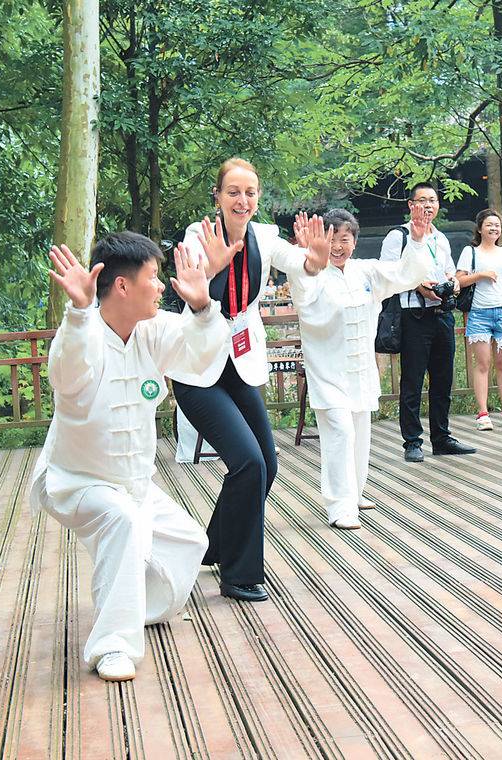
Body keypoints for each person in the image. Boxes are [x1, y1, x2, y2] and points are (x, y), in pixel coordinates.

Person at [30, 232, 229, 681]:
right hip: (76, 481)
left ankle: (136, 608)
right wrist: (79, 311)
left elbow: (199, 358)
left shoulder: (153, 329)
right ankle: (113, 646)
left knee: (189, 542)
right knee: (121, 523)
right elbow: (67, 375)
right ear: (122, 285)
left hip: (134, 484)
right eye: (153, 277)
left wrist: (202, 307)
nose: (160, 287)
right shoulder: (82, 332)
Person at [168, 157, 332, 602]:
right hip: (199, 370)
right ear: (218, 196)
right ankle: (239, 575)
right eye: (234, 192)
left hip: (239, 365)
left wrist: (314, 263)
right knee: (248, 463)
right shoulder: (198, 236)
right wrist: (215, 266)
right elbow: (194, 286)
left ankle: (217, 547)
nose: (242, 200)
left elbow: (299, 261)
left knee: (266, 465)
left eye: (250, 192)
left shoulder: (264, 236)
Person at [290, 207, 431, 528]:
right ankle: (339, 506)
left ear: (355, 241)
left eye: (345, 239)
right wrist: (306, 257)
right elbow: (302, 296)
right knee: (340, 433)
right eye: (331, 239)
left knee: (359, 435)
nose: (338, 247)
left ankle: (354, 493)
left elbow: (406, 274)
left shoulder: (366, 271)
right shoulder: (312, 275)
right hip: (327, 372)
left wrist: (417, 242)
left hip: (360, 371)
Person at [379, 182, 476, 462]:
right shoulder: (398, 236)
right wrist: (419, 286)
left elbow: (449, 271)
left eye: (432, 200)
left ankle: (442, 437)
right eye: (422, 200)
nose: (428, 205)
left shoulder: (441, 238)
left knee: (443, 379)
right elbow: (387, 274)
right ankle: (412, 441)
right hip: (414, 315)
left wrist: (452, 283)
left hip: (442, 314)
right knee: (413, 380)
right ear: (411, 205)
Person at [455, 209, 502, 430]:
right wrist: (480, 275)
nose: (494, 228)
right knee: (482, 364)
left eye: (497, 225)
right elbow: (459, 280)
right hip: (479, 313)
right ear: (480, 228)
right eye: (489, 224)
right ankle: (482, 413)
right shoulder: (470, 252)